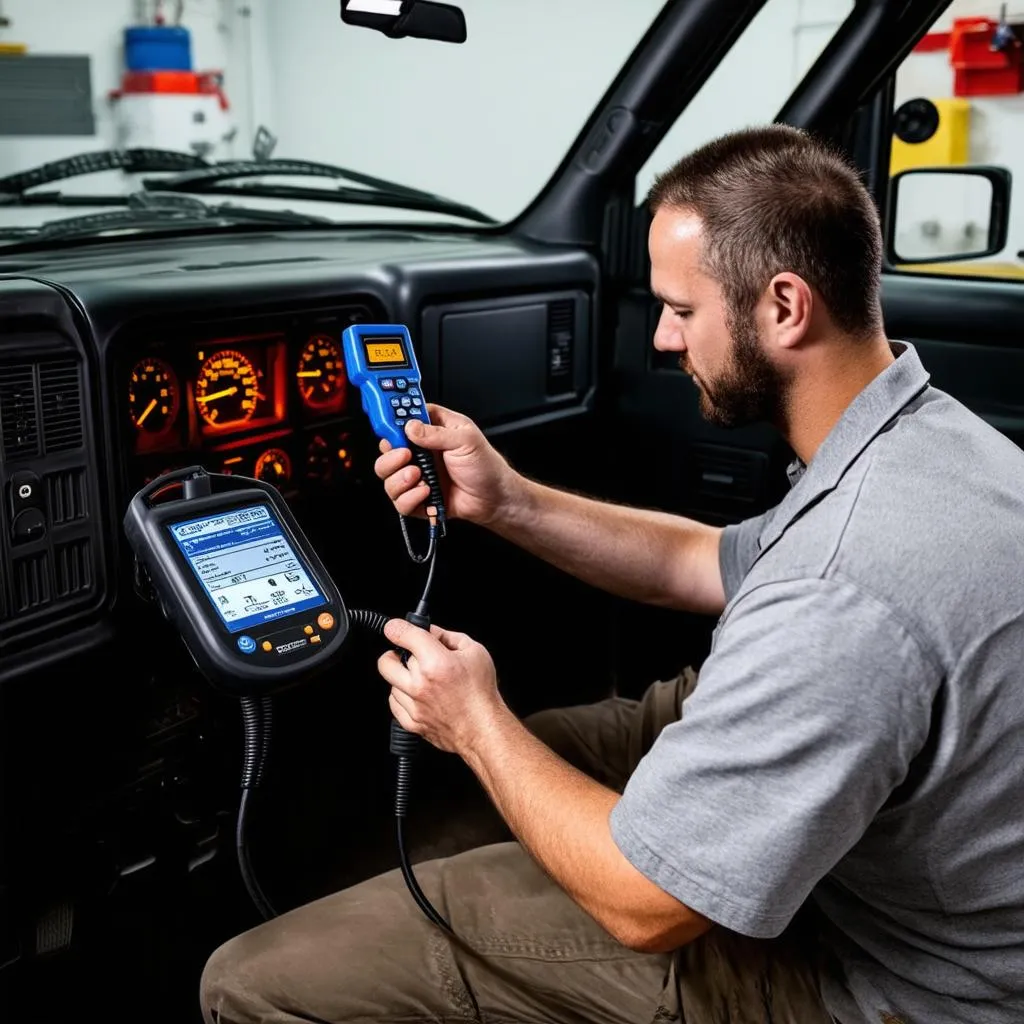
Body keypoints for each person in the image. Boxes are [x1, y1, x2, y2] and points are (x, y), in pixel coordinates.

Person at [200, 124, 1024, 1024]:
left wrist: (476, 722)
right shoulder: (923, 437)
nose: (665, 339)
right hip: (894, 837)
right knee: (485, 767)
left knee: (250, 981)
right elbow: (700, 560)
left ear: (786, 306)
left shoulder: (842, 592)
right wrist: (507, 499)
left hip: (876, 981)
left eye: (680, 309)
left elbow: (645, 906)